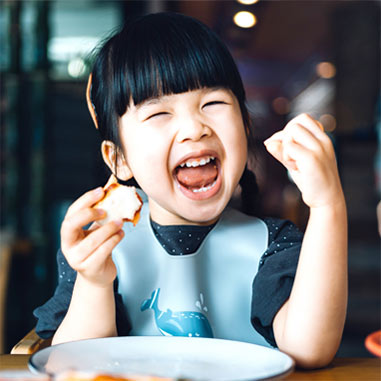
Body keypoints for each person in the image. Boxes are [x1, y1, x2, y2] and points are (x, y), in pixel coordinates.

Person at [34, 12, 347, 369]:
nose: (193, 128)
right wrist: (94, 281)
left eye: (212, 103)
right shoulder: (102, 249)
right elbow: (73, 366)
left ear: (245, 125)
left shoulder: (271, 245)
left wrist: (327, 207)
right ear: (119, 158)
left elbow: (310, 350)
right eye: (159, 114)